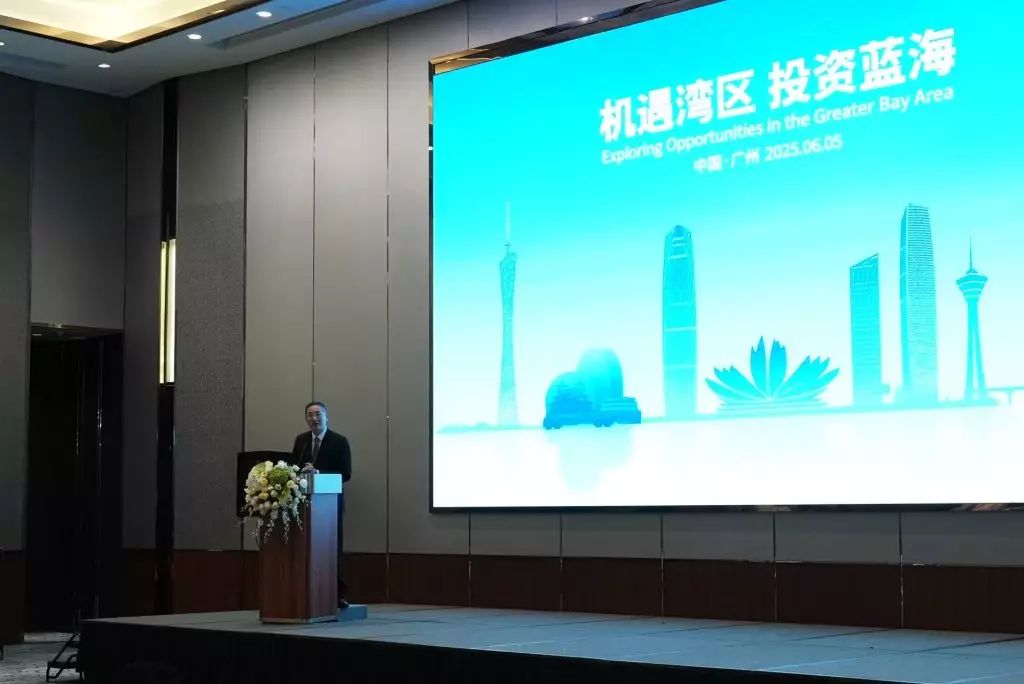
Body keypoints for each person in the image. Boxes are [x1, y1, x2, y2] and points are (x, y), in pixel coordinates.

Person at [292, 400, 352, 609]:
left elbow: (345, 473)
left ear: (327, 417)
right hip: (305, 505)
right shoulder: (301, 441)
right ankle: (309, 592)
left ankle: (337, 594)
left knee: (332, 549)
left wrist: (318, 473)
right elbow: (293, 468)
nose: (314, 419)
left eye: (318, 414)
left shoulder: (339, 441)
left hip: (330, 506)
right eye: (310, 415)